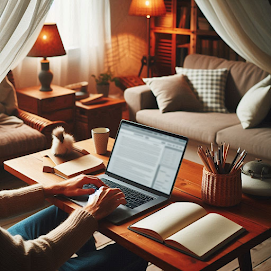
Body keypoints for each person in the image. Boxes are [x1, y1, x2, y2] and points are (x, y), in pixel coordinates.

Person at [0, 174, 148, 271]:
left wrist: (55, 189)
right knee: (136, 248)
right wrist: (89, 213)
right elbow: (32, 261)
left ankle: (92, 260)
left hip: (7, 247)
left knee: (64, 210)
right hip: (25, 263)